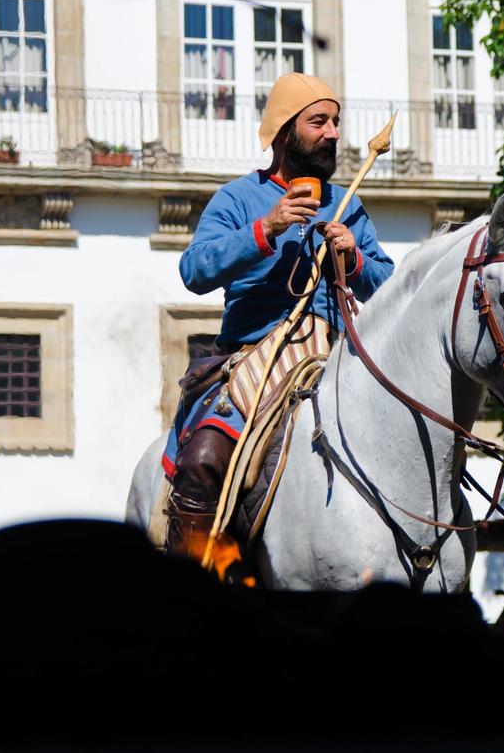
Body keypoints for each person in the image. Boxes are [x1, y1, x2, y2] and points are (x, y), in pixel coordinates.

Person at [166, 72, 395, 560]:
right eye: (319, 121)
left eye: (336, 122)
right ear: (285, 130)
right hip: (255, 356)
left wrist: (354, 258)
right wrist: (265, 227)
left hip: (335, 355)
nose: (333, 132)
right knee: (204, 458)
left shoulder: (347, 204)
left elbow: (387, 284)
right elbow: (194, 269)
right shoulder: (237, 197)